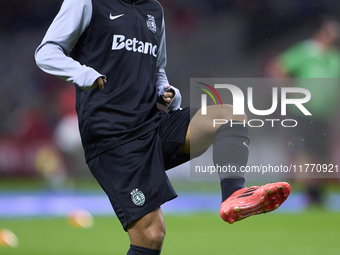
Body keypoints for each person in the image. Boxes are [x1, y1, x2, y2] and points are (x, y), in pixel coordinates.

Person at [35, 0, 290, 254]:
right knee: (151, 235)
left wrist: (167, 91)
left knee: (229, 116)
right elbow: (46, 52)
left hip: (152, 123)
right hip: (112, 137)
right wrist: (83, 74)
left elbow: (158, 69)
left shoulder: (154, 10)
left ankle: (235, 195)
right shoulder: (87, 2)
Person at [274, 15, 340, 207]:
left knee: (323, 152)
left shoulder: (333, 57)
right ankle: (310, 192)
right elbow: (279, 67)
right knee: (307, 152)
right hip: (304, 113)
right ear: (320, 32)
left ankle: (318, 191)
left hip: (325, 113)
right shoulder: (306, 52)